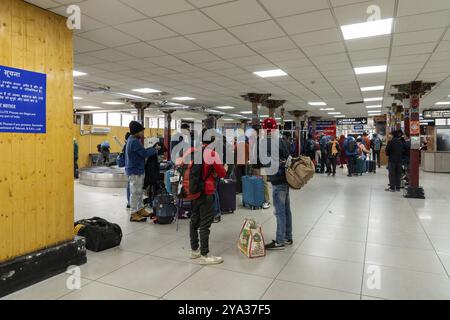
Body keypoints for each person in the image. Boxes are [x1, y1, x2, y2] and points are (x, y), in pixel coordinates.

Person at [190, 129, 227, 265]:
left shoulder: (193, 152)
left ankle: (194, 250)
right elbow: (222, 173)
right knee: (205, 223)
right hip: (207, 191)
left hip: (193, 191)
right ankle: (204, 255)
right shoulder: (212, 154)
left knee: (194, 221)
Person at [264, 120, 292, 250]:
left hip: (277, 180)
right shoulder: (283, 141)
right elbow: (289, 157)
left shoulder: (266, 143)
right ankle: (287, 236)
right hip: (286, 179)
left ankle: (280, 241)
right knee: (286, 210)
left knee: (279, 211)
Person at [126, 121, 161, 222]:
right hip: (135, 171)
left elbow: (142, 151)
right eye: (141, 131)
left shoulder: (132, 140)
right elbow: (144, 154)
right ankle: (133, 213)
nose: (142, 133)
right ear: (137, 131)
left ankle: (140, 210)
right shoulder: (134, 142)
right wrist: (155, 149)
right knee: (135, 192)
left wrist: (152, 148)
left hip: (137, 169)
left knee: (139, 192)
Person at [249, 123, 271, 209]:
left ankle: (266, 200)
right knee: (257, 182)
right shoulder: (255, 140)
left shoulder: (262, 140)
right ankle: (258, 199)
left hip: (262, 165)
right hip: (255, 164)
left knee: (263, 182)